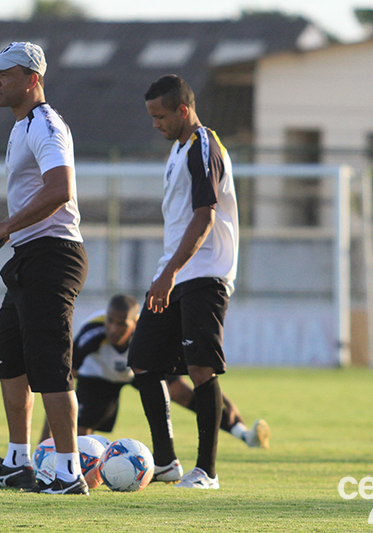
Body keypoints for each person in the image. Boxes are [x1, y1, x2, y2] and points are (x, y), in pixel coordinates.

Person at [0, 42, 89, 495]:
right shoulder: (22, 127)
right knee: (9, 360)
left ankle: (69, 472)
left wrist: (3, 225)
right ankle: (19, 462)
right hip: (30, 254)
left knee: (51, 367)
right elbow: (37, 197)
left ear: (33, 80)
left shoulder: (46, 126)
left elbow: (61, 190)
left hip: (55, 256)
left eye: (5, 74)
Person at [128, 74, 240, 490]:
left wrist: (170, 272)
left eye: (160, 116)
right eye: (151, 116)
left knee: (200, 367)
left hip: (204, 272)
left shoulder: (202, 146)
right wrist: (167, 273)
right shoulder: (177, 150)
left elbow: (205, 215)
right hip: (174, 272)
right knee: (142, 361)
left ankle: (206, 472)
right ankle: (166, 462)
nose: (155, 123)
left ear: (183, 110)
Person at [39, 294, 270, 449]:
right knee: (80, 431)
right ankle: (51, 457)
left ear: (135, 324)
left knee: (179, 391)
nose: (112, 328)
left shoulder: (145, 337)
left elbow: (194, 371)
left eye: (121, 324)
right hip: (98, 376)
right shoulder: (92, 333)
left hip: (135, 372)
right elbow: (61, 383)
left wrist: (225, 401)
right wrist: (43, 439)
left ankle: (243, 434)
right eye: (110, 321)